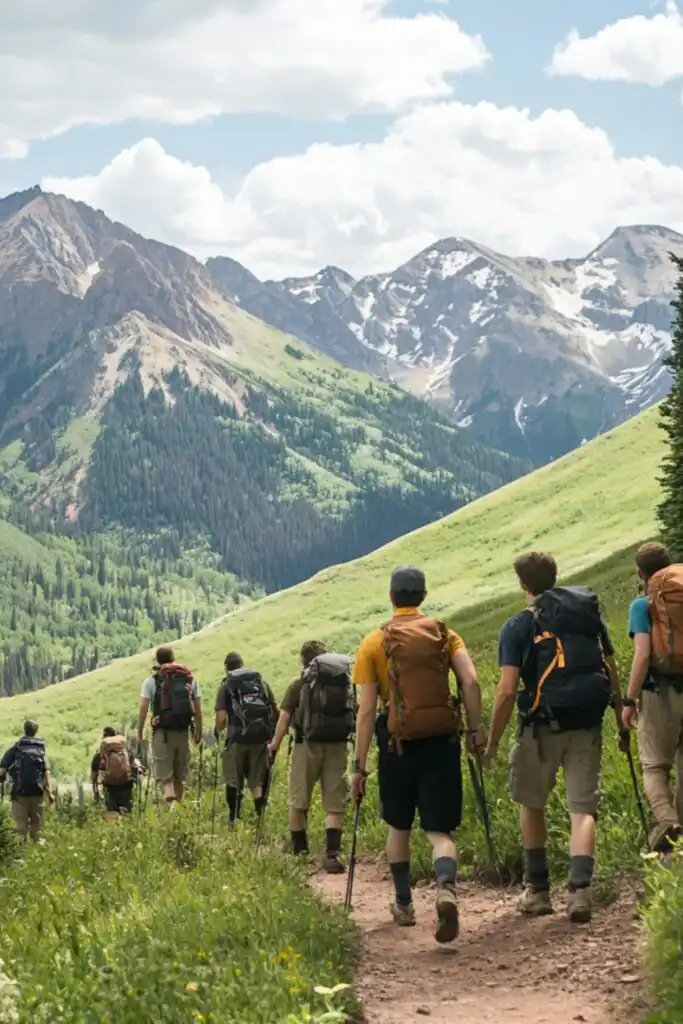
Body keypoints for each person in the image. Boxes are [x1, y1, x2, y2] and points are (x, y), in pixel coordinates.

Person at [485, 552, 624, 924]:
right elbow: (609, 665)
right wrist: (621, 716)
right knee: (583, 808)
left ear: (523, 585)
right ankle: (580, 892)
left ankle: (539, 891)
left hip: (540, 726)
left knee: (532, 803)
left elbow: (507, 689)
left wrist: (493, 741)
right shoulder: (584, 614)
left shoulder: (517, 626)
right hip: (587, 721)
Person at [350, 566, 486, 944]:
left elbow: (364, 712)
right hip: (442, 740)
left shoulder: (374, 642)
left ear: (392, 597)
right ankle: (445, 887)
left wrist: (358, 767)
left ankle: (404, 903)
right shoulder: (445, 634)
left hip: (397, 744)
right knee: (439, 831)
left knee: (399, 825)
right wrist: (475, 730)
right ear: (423, 596)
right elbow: (471, 682)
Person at [269, 640, 355, 874]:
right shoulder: (343, 681)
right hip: (337, 745)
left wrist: (274, 746)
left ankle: (301, 854)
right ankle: (332, 855)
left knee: (299, 799)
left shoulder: (299, 684)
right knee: (334, 802)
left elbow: (284, 719)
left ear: (303, 660)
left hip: (306, 746)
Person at [622, 542, 683, 852]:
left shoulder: (641, 606)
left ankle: (667, 820)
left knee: (655, 767)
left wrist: (629, 701)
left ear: (641, 573)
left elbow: (643, 655)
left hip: (660, 691)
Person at [214, 652, 278, 826]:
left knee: (233, 780)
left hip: (236, 739)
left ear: (226, 668)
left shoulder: (226, 686)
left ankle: (234, 819)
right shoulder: (260, 684)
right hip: (259, 739)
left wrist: (218, 730)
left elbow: (221, 720)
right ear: (242, 664)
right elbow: (274, 711)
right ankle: (260, 819)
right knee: (257, 782)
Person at [137, 646, 203, 808]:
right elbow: (198, 709)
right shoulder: (188, 679)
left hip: (162, 734)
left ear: (157, 661)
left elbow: (144, 707)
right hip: (183, 731)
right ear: (173, 659)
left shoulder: (152, 681)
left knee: (165, 778)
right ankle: (179, 812)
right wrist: (198, 731)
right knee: (179, 776)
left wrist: (139, 731)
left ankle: (172, 811)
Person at [0, 719, 53, 842]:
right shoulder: (41, 750)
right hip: (38, 793)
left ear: (24, 730)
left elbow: (2, 771)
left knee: (19, 829)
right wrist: (50, 792)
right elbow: (47, 771)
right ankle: (37, 857)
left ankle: (20, 857)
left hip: (19, 794)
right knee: (37, 830)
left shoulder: (16, 749)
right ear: (36, 731)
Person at [91, 727, 143, 816]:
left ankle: (113, 829)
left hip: (110, 788)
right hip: (126, 787)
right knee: (127, 814)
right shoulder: (125, 752)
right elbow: (136, 769)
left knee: (112, 815)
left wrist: (96, 794)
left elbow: (94, 778)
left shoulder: (99, 756)